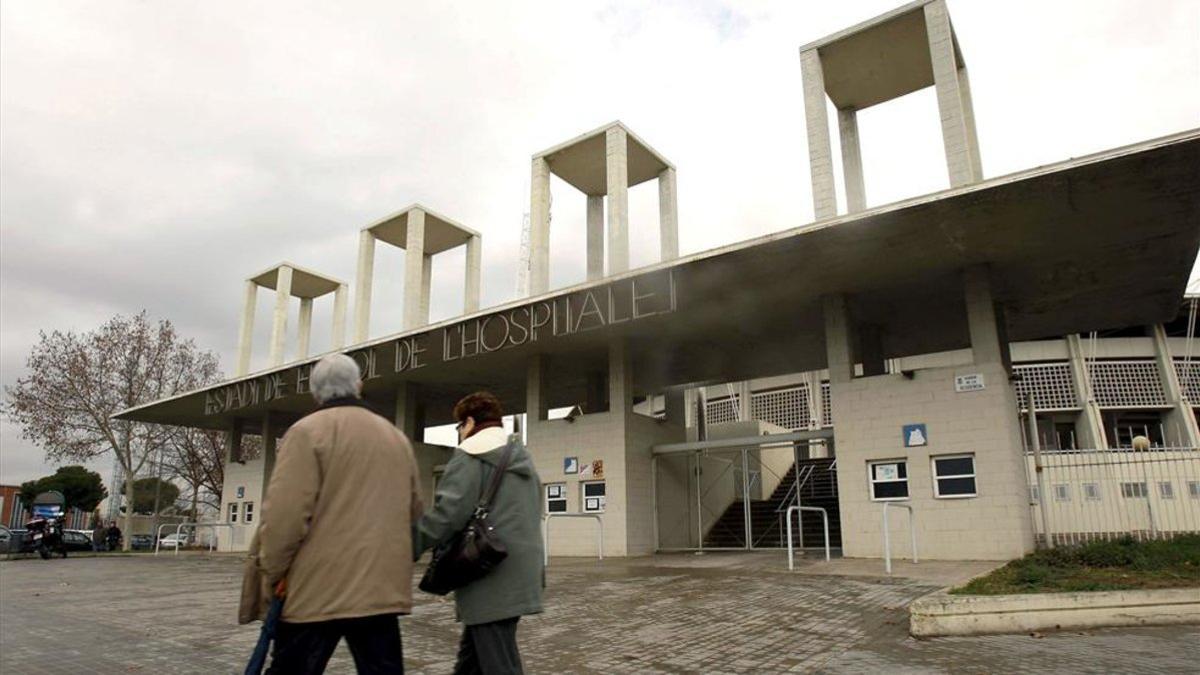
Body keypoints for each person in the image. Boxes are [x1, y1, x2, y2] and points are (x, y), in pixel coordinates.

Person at [255, 353, 423, 675]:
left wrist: (273, 571)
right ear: (358, 386)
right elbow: (415, 510)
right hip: (380, 590)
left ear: (315, 393)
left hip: (315, 590)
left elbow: (284, 517)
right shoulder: (395, 437)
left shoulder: (305, 433)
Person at [414, 392, 544, 675]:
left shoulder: (470, 455)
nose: (460, 433)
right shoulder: (523, 459)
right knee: (472, 659)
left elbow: (448, 515)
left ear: (469, 422)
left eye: (459, 426)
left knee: (499, 663)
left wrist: (408, 544)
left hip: (489, 573)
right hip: (520, 571)